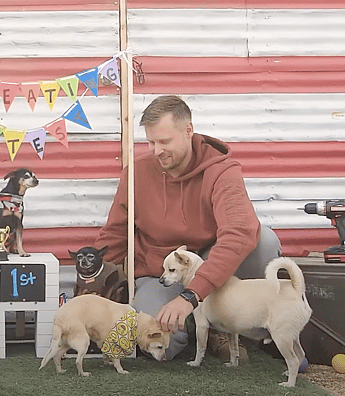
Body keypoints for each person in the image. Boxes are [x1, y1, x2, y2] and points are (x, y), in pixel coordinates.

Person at [94, 95, 281, 360]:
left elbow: (239, 231)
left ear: (188, 131)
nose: (156, 150)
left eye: (165, 141)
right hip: (161, 271)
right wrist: (91, 278)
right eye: (150, 142)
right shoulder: (136, 173)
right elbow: (115, 233)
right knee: (159, 346)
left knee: (265, 242)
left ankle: (221, 326)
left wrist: (192, 295)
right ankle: (196, 328)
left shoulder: (222, 170)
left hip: (209, 266)